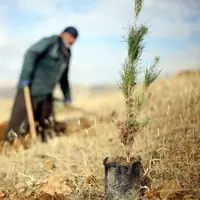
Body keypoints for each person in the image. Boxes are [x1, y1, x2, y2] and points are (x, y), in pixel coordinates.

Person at [4, 26, 79, 144]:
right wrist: (25, 78)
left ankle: (41, 146)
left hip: (47, 94)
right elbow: (30, 53)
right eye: (71, 37)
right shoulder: (51, 42)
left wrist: (67, 96)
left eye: (74, 38)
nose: (72, 41)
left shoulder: (67, 54)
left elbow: (64, 78)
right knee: (18, 123)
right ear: (63, 34)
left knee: (45, 126)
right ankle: (9, 146)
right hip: (30, 89)